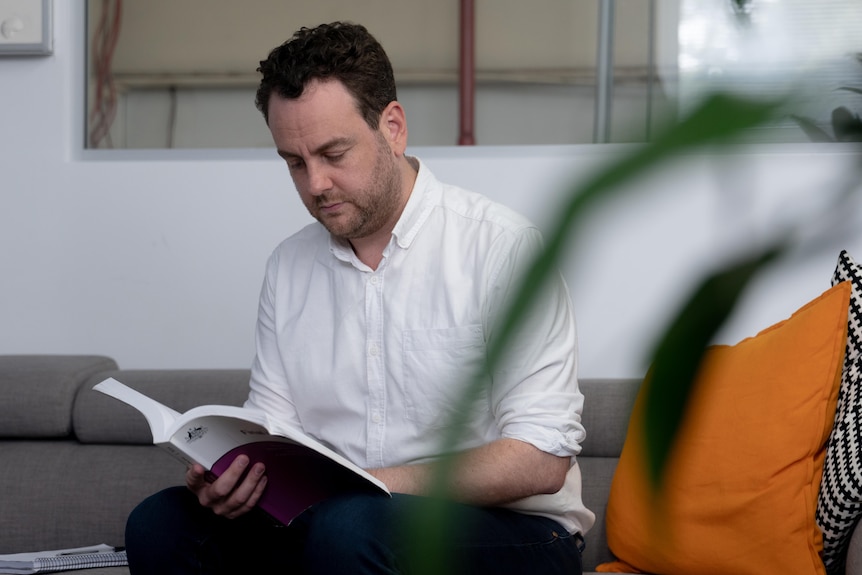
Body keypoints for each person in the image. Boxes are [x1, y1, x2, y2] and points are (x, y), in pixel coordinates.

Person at [125, 21, 594, 575]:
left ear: (392, 127)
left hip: (515, 531)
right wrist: (231, 472)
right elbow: (270, 427)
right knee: (160, 522)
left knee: (351, 529)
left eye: (333, 153)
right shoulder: (289, 267)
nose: (316, 183)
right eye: (294, 163)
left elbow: (541, 461)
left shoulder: (502, 249)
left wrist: (373, 489)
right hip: (332, 523)